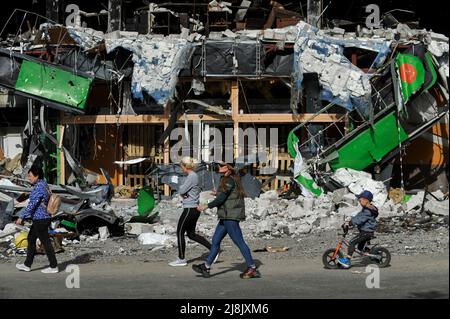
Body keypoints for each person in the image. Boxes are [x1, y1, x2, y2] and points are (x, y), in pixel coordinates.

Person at [192, 162, 261, 279]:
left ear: (228, 168)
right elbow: (226, 194)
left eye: (222, 166)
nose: (219, 167)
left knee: (239, 242)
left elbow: (222, 198)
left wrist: (206, 206)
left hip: (230, 216)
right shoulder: (227, 179)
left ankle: (252, 268)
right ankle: (206, 267)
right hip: (225, 216)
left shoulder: (229, 180)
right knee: (215, 241)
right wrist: (217, 193)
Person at [169, 157, 213, 267]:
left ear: (185, 166)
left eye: (181, 166)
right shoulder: (193, 176)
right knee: (191, 234)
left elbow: (182, 190)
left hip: (190, 208)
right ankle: (213, 250)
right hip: (193, 208)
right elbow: (184, 191)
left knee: (180, 232)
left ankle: (181, 258)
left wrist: (183, 192)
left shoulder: (192, 176)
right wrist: (183, 192)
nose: (181, 168)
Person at [15, 165, 58, 273]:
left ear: (36, 176)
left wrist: (21, 216)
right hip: (41, 218)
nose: (28, 178)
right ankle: (27, 265)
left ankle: (53, 266)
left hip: (41, 218)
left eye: (30, 176)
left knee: (46, 242)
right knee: (31, 239)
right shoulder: (43, 184)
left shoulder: (39, 187)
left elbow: (32, 204)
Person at [338, 190, 379, 269]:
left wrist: (350, 223)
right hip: (366, 231)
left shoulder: (368, 211)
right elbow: (359, 216)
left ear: (366, 200)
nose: (359, 202)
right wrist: (350, 220)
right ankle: (367, 251)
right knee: (360, 248)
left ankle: (347, 261)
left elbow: (360, 219)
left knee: (352, 242)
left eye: (360, 200)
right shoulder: (367, 209)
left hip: (366, 232)